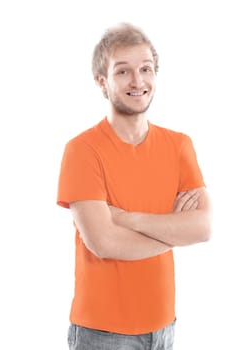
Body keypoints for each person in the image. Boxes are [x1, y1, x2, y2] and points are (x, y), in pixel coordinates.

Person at [57, 22, 212, 350]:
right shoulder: (82, 151)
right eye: (123, 72)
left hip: (164, 326)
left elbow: (202, 227)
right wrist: (174, 230)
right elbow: (104, 242)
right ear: (102, 82)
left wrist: (127, 219)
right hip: (102, 333)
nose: (138, 81)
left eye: (146, 69)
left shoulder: (179, 145)